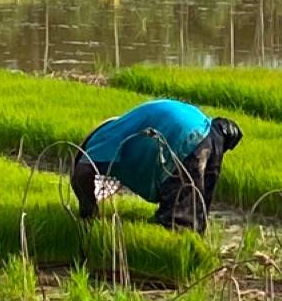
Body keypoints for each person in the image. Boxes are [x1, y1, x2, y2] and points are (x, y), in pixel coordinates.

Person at [69, 97, 243, 234]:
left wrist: (88, 213)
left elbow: (82, 173)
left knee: (177, 224)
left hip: (185, 137)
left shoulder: (99, 142)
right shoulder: (124, 125)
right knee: (196, 212)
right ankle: (192, 253)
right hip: (209, 133)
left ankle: (173, 265)